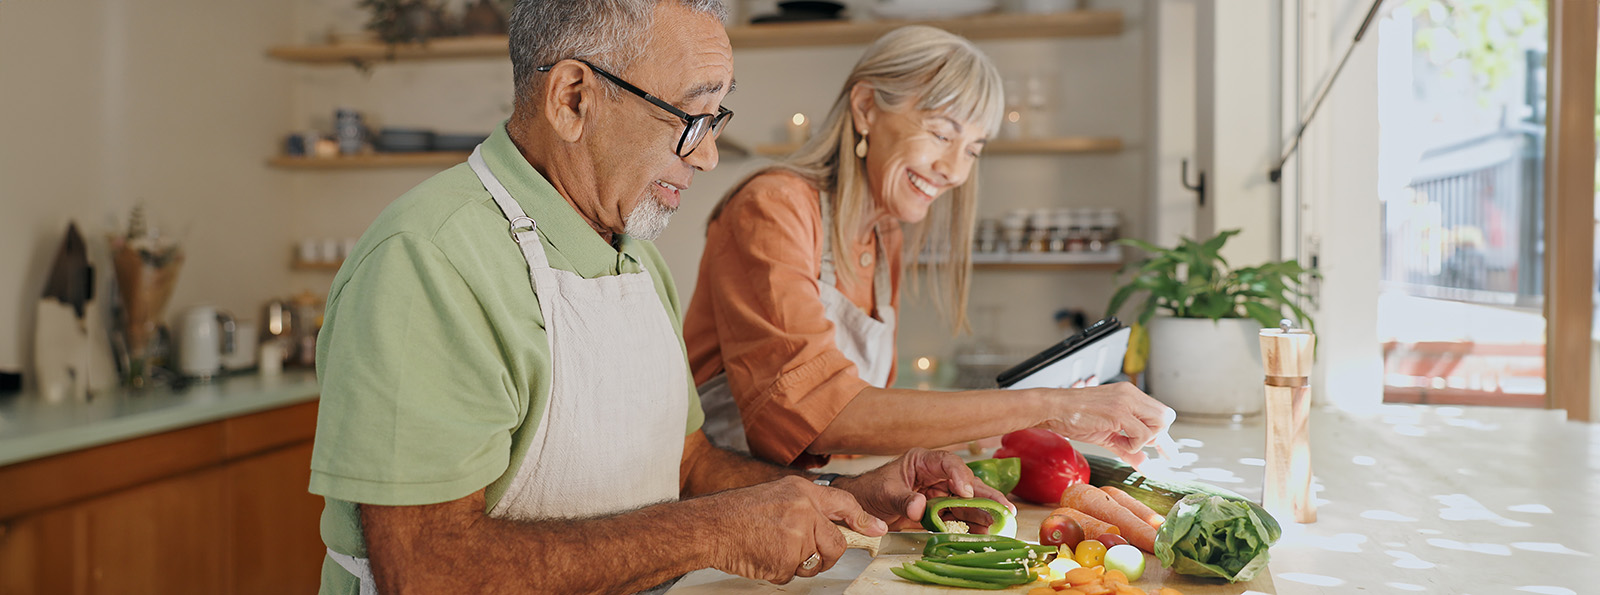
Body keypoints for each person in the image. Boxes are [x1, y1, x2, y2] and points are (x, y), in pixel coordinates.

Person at [308, 3, 1007, 594]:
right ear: (574, 98)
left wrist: (849, 496)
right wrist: (715, 531)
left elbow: (685, 462)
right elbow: (428, 568)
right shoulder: (428, 260)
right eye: (690, 115)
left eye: (716, 119)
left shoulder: (636, 258)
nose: (705, 156)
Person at [683, 26, 1174, 470]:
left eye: (974, 150)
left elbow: (863, 424)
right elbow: (821, 412)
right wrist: (1050, 405)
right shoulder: (771, 207)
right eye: (941, 134)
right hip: (726, 510)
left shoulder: (884, 232)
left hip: (809, 502)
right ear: (866, 107)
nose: (956, 171)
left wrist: (1046, 419)